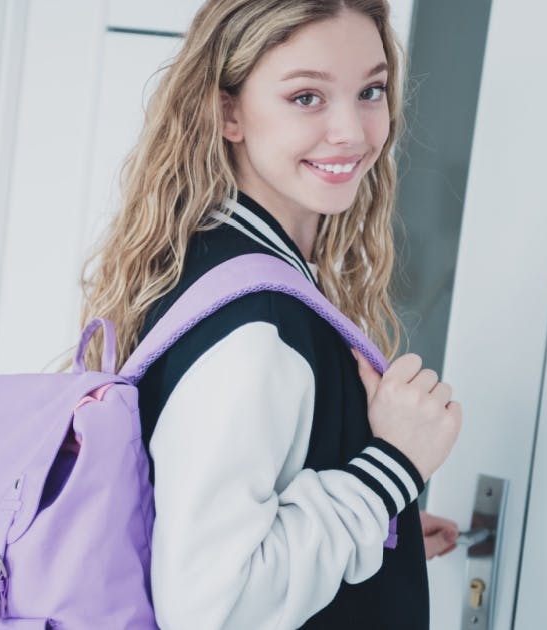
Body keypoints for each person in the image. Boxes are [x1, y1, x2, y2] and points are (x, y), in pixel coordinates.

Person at [72, 1, 463, 627]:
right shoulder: (260, 324)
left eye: (371, 90)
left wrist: (379, 530)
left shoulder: (200, 267)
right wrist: (392, 466)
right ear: (228, 111)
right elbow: (212, 610)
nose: (354, 132)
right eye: (307, 97)